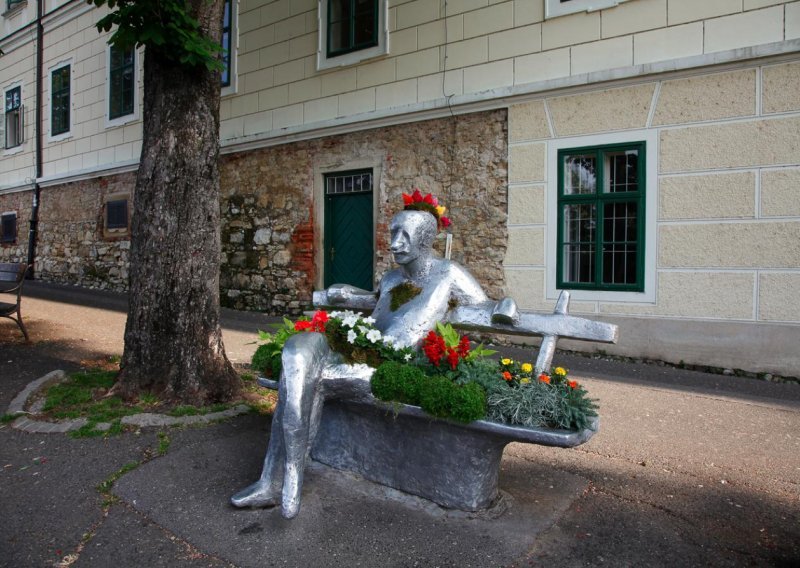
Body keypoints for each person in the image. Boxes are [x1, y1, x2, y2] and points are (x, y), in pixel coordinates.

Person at [231, 194, 517, 518]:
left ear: (425, 239)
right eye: (392, 233)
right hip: (355, 350)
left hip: (385, 366)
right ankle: (278, 482)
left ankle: (278, 481)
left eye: (404, 236)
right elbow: (372, 302)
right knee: (297, 354)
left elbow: (485, 305)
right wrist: (344, 293)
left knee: (301, 379)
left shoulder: (448, 273)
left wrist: (506, 306)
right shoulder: (392, 278)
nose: (394, 244)